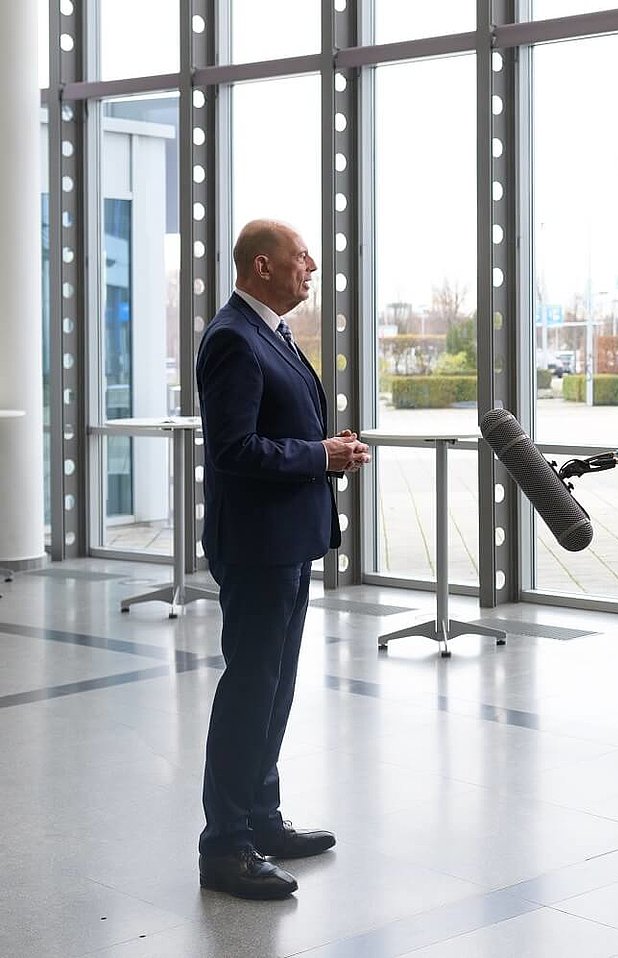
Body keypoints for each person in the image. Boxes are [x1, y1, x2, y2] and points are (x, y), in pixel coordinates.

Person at [195, 219, 371, 899]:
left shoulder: (274, 334)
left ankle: (261, 819)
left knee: (274, 687)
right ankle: (225, 845)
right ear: (262, 266)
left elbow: (278, 431)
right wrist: (319, 456)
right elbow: (233, 451)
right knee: (250, 689)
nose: (313, 268)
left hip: (288, 540)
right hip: (257, 545)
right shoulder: (234, 339)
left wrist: (326, 450)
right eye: (302, 259)